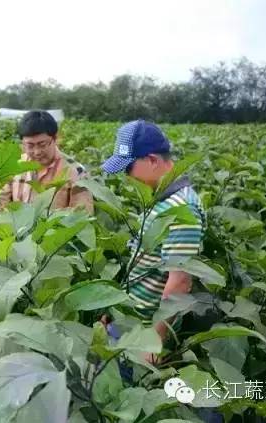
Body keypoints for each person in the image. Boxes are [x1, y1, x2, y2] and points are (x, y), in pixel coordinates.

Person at [101, 120, 207, 358]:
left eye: (129, 169)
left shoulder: (182, 210)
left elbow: (180, 282)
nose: (127, 177)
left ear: (152, 160)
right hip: (131, 322)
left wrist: (155, 342)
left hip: (145, 330)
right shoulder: (163, 200)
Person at [0, 110, 93, 212]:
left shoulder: (77, 172)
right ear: (22, 143)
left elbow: (82, 215)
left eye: (42, 144)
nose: (37, 152)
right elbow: (3, 205)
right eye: (30, 145)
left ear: (56, 138)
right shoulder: (15, 166)